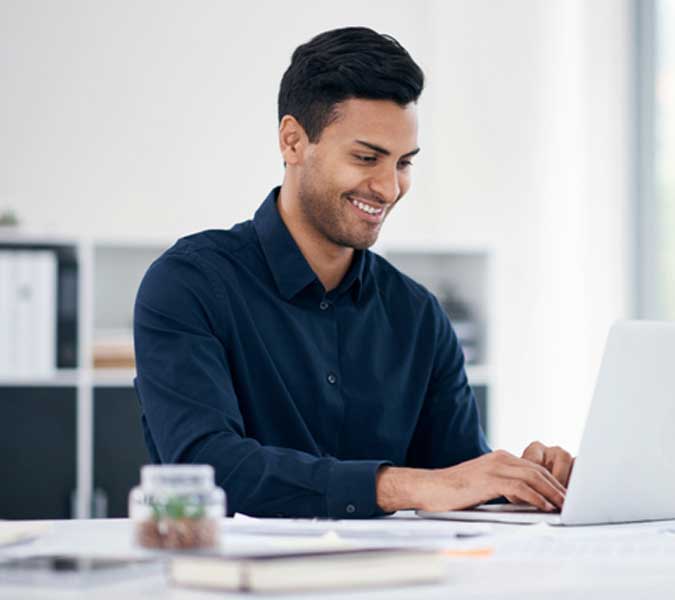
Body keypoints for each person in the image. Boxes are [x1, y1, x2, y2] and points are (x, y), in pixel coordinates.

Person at [134, 26, 574, 518]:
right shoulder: (189, 285)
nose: (388, 187)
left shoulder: (419, 316)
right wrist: (394, 486)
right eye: (366, 158)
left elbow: (455, 478)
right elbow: (204, 467)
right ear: (293, 141)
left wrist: (525, 483)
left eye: (403, 163)